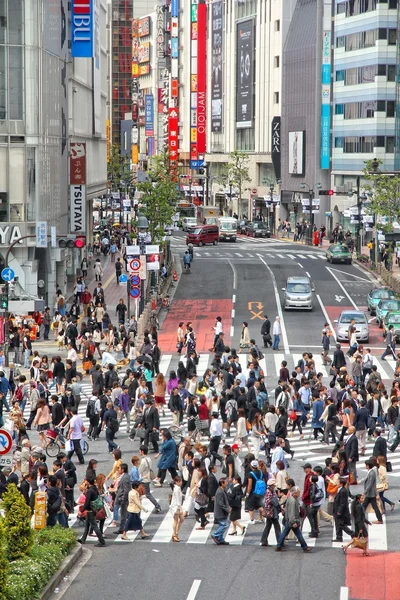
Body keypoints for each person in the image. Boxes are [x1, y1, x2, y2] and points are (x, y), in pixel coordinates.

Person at [276, 486, 311, 552]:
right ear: (294, 493)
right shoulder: (293, 501)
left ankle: (279, 546)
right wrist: (293, 522)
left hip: (289, 520)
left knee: (286, 533)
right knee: (297, 533)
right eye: (298, 492)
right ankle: (305, 547)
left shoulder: (291, 499)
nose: (299, 494)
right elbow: (292, 512)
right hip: (292, 521)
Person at [138, 445, 161, 512]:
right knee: (145, 494)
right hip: (148, 478)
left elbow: (139, 471)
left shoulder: (143, 461)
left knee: (147, 494)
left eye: (140, 451)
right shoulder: (148, 458)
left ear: (142, 451)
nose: (139, 452)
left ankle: (157, 506)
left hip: (144, 479)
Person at [360, 459, 383, 524]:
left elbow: (370, 484)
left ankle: (379, 519)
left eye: (366, 465)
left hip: (370, 493)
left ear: (368, 466)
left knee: (368, 506)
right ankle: (360, 517)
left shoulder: (372, 473)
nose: (365, 466)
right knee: (366, 506)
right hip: (370, 494)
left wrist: (364, 492)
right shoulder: (370, 472)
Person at [260, 478, 281, 546]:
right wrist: (274, 501)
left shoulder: (272, 491)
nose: (275, 486)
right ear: (271, 486)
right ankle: (280, 541)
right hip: (271, 511)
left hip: (271, 511)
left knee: (268, 526)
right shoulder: (269, 492)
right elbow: (268, 501)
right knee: (277, 526)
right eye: (274, 485)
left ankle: (263, 540)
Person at [113, 463, 132, 535]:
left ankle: (122, 529)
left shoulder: (125, 477)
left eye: (119, 469)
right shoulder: (124, 476)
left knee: (123, 514)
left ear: (123, 470)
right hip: (121, 497)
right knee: (124, 513)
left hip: (123, 498)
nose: (118, 470)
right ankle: (122, 528)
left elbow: (126, 490)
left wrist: (123, 499)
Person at [211, 478, 231, 545]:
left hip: (222, 512)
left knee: (221, 525)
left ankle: (220, 539)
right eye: (225, 482)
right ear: (222, 483)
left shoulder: (222, 490)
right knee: (225, 525)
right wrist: (227, 509)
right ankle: (215, 535)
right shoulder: (220, 491)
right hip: (220, 512)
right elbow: (220, 503)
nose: (227, 483)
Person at [170, 475, 185, 542]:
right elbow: (178, 499)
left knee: (181, 519)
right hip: (176, 507)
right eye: (180, 481)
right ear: (177, 482)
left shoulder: (177, 488)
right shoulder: (176, 489)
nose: (181, 482)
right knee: (176, 520)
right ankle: (175, 534)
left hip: (176, 506)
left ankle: (175, 533)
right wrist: (180, 508)